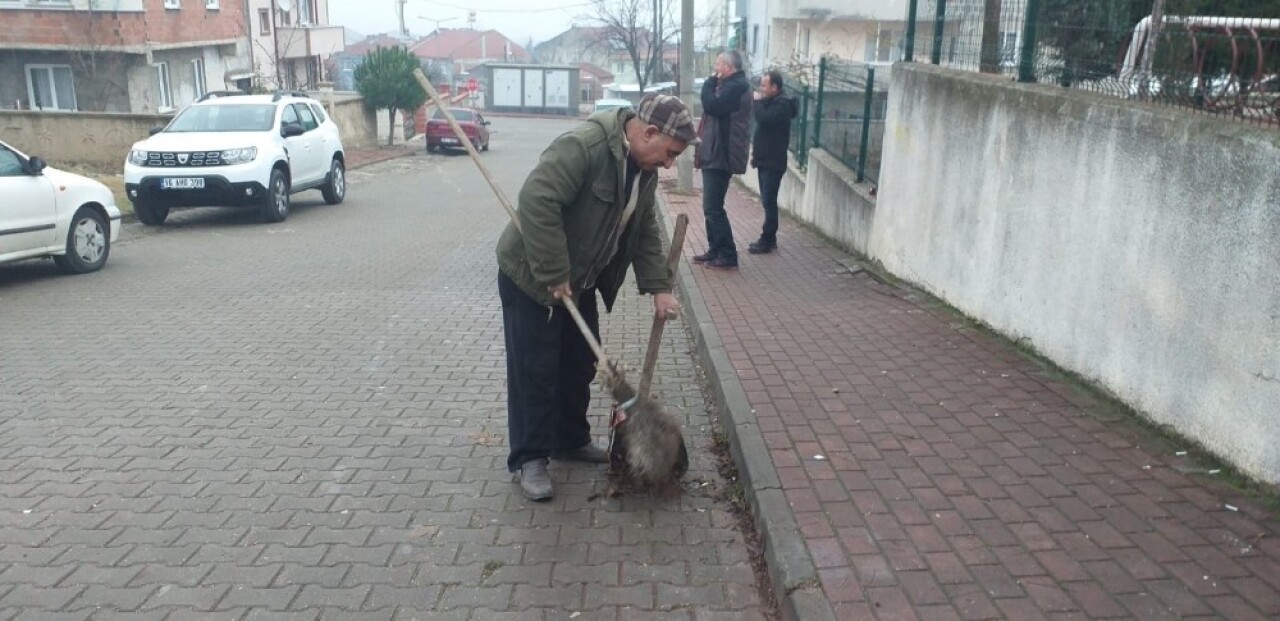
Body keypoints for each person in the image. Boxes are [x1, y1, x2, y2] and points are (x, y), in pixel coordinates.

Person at [495, 94, 696, 501]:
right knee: (535, 370)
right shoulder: (583, 148)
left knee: (579, 364)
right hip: (532, 278)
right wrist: (553, 270)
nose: (670, 163)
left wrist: (659, 286)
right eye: (670, 153)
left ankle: (569, 440)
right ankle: (529, 458)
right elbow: (537, 200)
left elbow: (643, 231)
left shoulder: (643, 169)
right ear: (649, 132)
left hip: (579, 280)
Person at [693, 50, 752, 270]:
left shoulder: (736, 86)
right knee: (711, 206)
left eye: (718, 64)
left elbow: (712, 106)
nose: (715, 68)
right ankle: (715, 249)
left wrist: (708, 83)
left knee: (714, 207)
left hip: (722, 155)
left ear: (728, 67)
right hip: (715, 153)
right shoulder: (730, 85)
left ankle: (728, 254)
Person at [748, 70, 797, 254]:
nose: (761, 89)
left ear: (775, 87)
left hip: (773, 162)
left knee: (769, 201)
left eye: (764, 85)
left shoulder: (782, 105)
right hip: (765, 160)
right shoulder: (773, 102)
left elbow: (764, 119)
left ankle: (767, 238)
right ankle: (770, 238)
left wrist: (758, 101)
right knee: (767, 200)